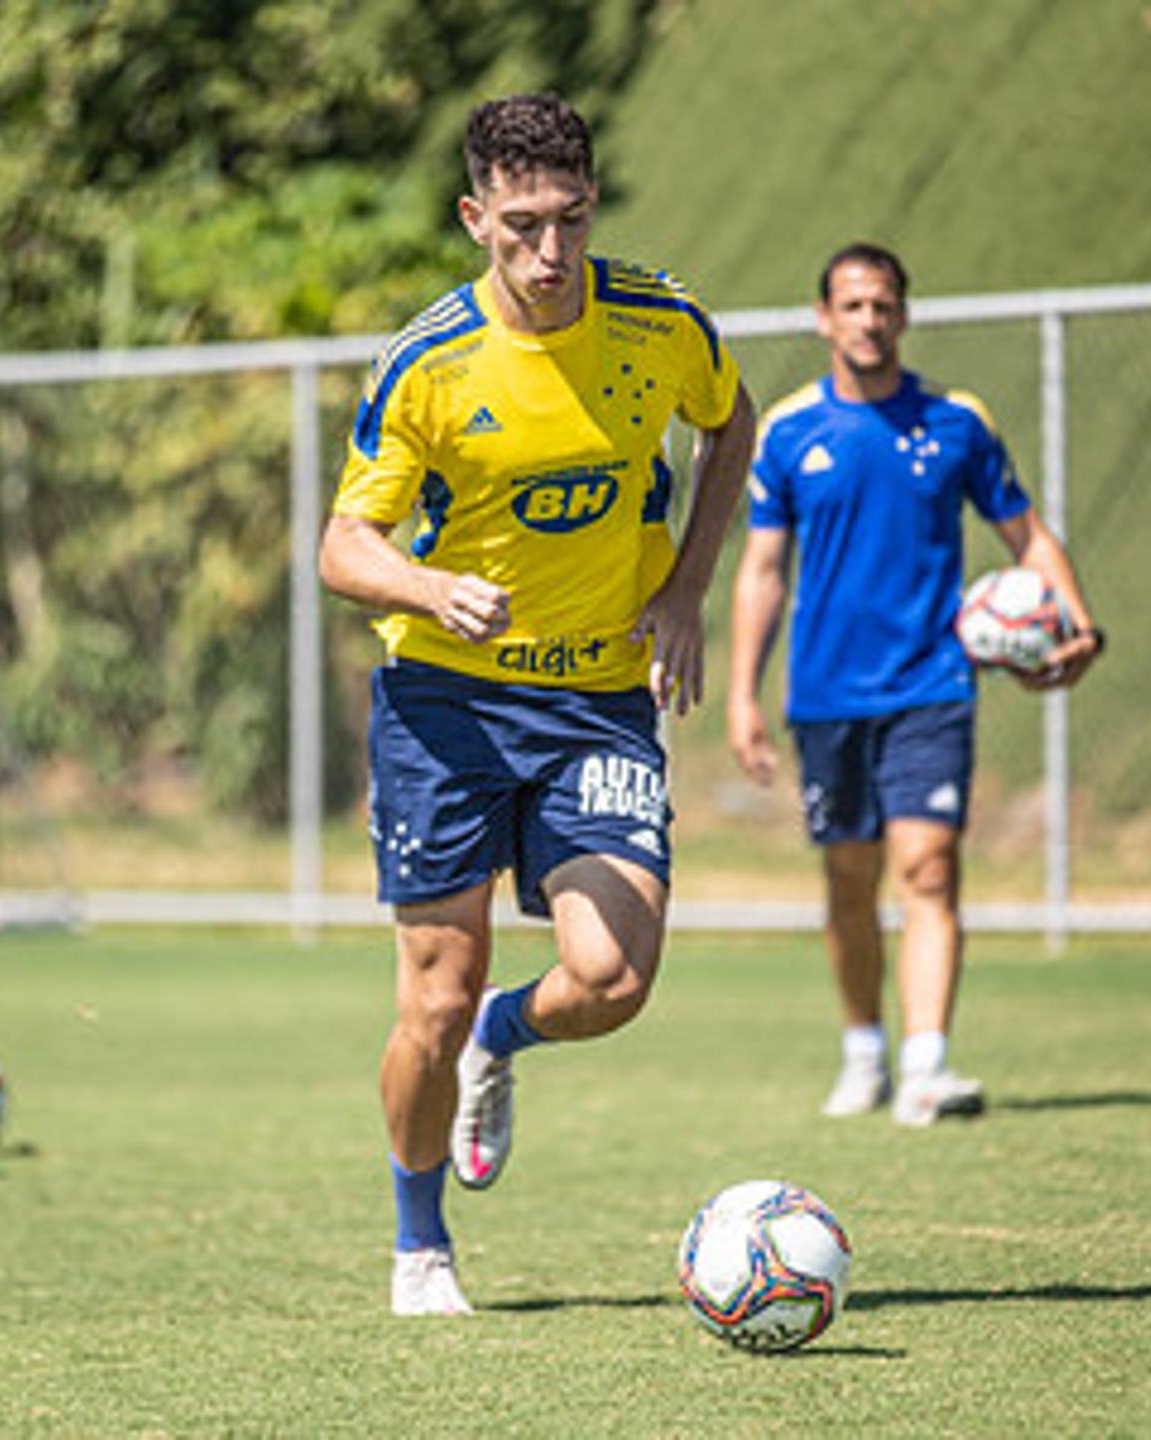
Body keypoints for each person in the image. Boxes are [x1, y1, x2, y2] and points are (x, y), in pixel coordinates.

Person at [320, 93, 756, 1315]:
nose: (549, 254)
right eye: (520, 226)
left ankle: (501, 1041)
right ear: (475, 220)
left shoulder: (663, 325)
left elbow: (734, 427)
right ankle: (420, 1245)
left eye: (568, 220)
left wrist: (685, 589)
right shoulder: (428, 363)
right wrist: (423, 581)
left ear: (593, 205)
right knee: (431, 996)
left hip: (601, 699)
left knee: (613, 978)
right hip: (445, 704)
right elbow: (342, 547)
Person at [724, 242, 1103, 1129]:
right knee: (850, 884)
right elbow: (762, 571)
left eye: (883, 304)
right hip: (825, 694)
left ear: (904, 314)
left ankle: (927, 1063)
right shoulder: (788, 432)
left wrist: (1078, 622)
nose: (868, 320)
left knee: (928, 870)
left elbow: (1029, 537)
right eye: (852, 306)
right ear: (824, 319)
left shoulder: (957, 423)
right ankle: (865, 1052)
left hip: (934, 684)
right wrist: (743, 693)